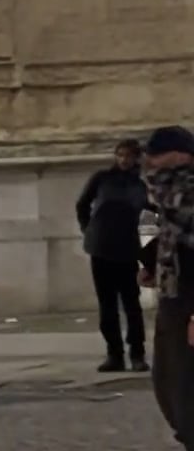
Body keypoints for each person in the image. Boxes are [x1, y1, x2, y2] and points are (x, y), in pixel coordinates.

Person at [141, 127, 194, 451]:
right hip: (173, 294)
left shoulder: (186, 191)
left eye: (158, 155)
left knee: (182, 385)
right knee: (168, 382)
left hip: (189, 300)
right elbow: (159, 233)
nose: (151, 161)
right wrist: (152, 263)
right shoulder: (161, 193)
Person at [76, 139, 152, 372]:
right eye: (120, 155)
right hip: (101, 248)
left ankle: (137, 353)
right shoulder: (101, 179)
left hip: (127, 251)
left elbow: (148, 218)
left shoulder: (139, 185)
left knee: (131, 304)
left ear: (136, 158)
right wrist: (89, 229)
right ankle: (114, 354)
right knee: (107, 305)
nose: (123, 160)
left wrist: (147, 254)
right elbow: (82, 205)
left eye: (128, 156)